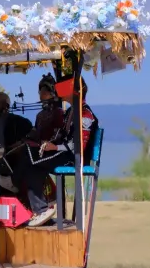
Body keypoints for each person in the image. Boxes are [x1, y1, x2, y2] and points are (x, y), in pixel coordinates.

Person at [12, 79, 98, 227]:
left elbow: (78, 146)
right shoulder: (72, 111)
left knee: (31, 160)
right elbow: (62, 135)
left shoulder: (84, 114)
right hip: (65, 154)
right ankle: (38, 207)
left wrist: (55, 147)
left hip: (73, 158)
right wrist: (49, 144)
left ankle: (39, 208)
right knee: (30, 156)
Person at [0, 75, 65, 194]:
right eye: (40, 92)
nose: (41, 95)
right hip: (39, 147)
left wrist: (46, 144)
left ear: (52, 94)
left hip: (50, 150)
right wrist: (21, 142)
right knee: (11, 151)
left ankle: (15, 182)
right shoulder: (40, 115)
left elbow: (58, 136)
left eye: (44, 92)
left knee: (25, 151)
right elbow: (34, 133)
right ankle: (15, 186)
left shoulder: (58, 113)